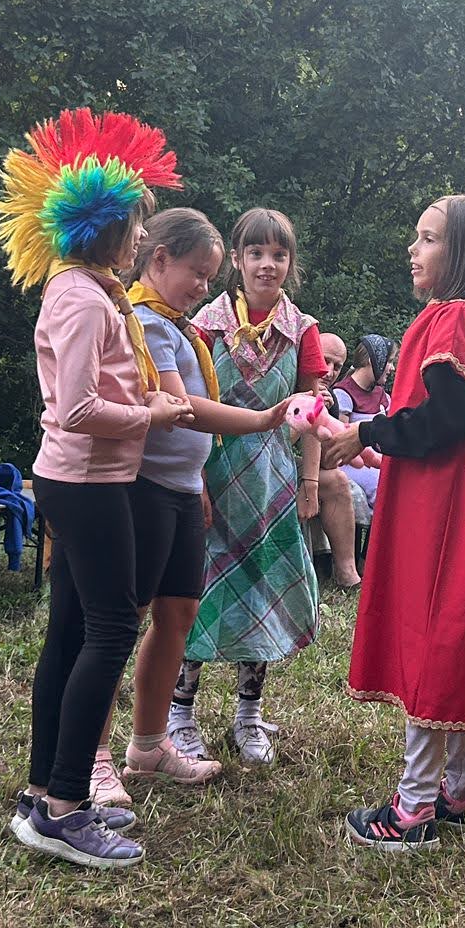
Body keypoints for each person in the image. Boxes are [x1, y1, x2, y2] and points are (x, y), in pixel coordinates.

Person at [0, 106, 195, 869]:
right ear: (105, 227)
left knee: (72, 633)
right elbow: (77, 410)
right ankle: (66, 808)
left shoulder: (88, 290)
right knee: (110, 631)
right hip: (86, 484)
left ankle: (45, 791)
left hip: (84, 481)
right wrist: (152, 411)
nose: (142, 236)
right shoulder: (80, 299)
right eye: (136, 223)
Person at [323, 194, 465, 850]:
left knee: (436, 635)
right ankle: (459, 790)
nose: (414, 250)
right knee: (459, 633)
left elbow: (445, 420)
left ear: (462, 251)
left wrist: (366, 433)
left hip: (444, 509)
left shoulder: (452, 318)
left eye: (429, 238)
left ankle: (412, 809)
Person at [115, 208, 295, 792]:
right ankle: (106, 749)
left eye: (210, 276)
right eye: (198, 272)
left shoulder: (179, 326)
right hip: (150, 490)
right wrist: (262, 418)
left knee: (179, 616)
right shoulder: (147, 323)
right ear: (158, 259)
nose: (202, 286)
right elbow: (182, 407)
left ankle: (150, 744)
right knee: (124, 623)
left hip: (190, 489)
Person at [169, 207, 325, 766]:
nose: (267, 264)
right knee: (198, 591)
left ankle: (249, 714)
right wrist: (194, 480)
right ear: (236, 260)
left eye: (279, 254)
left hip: (272, 483)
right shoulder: (205, 325)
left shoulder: (303, 331)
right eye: (256, 253)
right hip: (211, 474)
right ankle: (179, 712)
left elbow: (312, 415)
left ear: (290, 263)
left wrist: (310, 482)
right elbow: (186, 408)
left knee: (264, 591)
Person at [312, 331, 364, 588]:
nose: (329, 371)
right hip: (265, 461)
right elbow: (272, 440)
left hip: (298, 468)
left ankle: (348, 573)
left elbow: (329, 461)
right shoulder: (287, 381)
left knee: (338, 480)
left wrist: (324, 414)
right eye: (325, 361)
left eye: (337, 366)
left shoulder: (330, 400)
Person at [335, 335, 395, 420]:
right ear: (373, 360)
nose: (393, 368)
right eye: (389, 361)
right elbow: (342, 429)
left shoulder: (381, 394)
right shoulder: (343, 394)